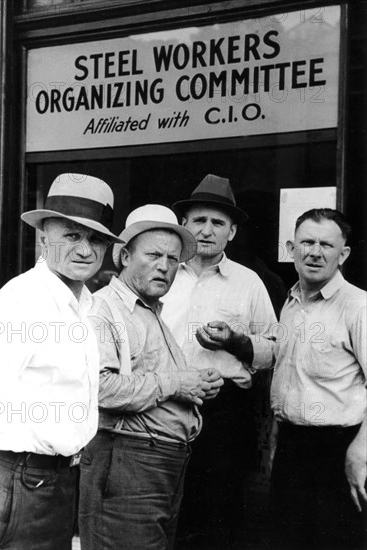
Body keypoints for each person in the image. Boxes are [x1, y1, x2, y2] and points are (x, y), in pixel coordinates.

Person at [0, 173, 122, 550]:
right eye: (72, 235)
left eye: (95, 238)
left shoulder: (84, 303)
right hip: (20, 477)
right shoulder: (24, 300)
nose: (84, 250)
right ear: (43, 237)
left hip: (59, 478)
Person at [78, 204, 224, 550]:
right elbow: (100, 388)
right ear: (125, 256)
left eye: (173, 259)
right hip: (128, 461)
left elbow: (152, 376)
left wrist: (195, 381)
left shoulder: (150, 311)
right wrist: (178, 383)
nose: (164, 266)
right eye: (154, 255)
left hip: (158, 464)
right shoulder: (103, 309)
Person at [161, 174, 277, 549]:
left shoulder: (249, 282)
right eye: (199, 221)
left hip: (225, 412)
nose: (207, 231)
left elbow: (275, 348)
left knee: (219, 518)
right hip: (164, 404)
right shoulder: (161, 275)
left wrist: (237, 342)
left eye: (218, 223)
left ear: (232, 233)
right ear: (183, 226)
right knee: (163, 510)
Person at [269, 208, 367, 550]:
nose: (315, 252)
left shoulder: (358, 307)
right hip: (292, 449)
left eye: (326, 244)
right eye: (306, 242)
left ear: (344, 255)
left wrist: (360, 451)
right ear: (290, 247)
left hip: (339, 451)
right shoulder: (292, 303)